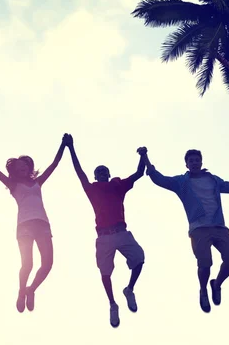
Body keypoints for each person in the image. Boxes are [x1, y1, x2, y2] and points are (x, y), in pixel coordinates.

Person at [143, 148, 229, 313]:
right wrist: (145, 157)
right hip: (198, 229)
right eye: (191, 161)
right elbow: (158, 178)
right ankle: (203, 290)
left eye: (197, 160)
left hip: (218, 226)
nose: (195, 163)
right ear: (187, 164)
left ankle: (216, 284)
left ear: (201, 162)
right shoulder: (181, 182)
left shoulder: (213, 180)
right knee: (205, 263)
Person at [0, 137, 66, 313]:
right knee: (27, 264)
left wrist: (64, 145)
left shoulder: (37, 182)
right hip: (25, 225)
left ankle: (31, 289)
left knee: (48, 263)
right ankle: (21, 291)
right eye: (18, 167)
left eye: (24, 166)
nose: (22, 168)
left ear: (28, 168)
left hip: (42, 224)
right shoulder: (12, 184)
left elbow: (54, 165)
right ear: (14, 171)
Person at [63, 133, 146, 328]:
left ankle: (129, 289)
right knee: (105, 272)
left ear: (108, 174)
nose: (101, 174)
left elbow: (139, 174)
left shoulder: (117, 185)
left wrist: (143, 155)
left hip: (121, 231)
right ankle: (112, 304)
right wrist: (70, 148)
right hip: (103, 236)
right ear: (95, 176)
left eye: (104, 171)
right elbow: (79, 171)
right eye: (98, 172)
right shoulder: (92, 189)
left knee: (139, 258)